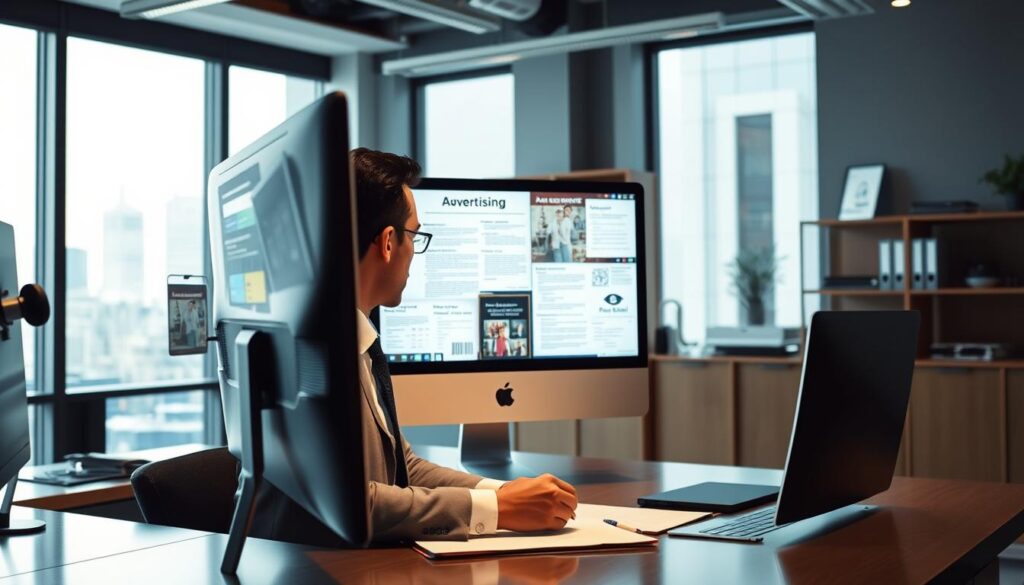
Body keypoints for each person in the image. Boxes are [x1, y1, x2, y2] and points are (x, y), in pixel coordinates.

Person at [251, 148, 578, 546]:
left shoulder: (357, 341)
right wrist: (501, 510)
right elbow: (351, 503)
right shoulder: (312, 361)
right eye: (414, 235)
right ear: (389, 242)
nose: (414, 253)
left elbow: (402, 469)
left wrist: (502, 493)